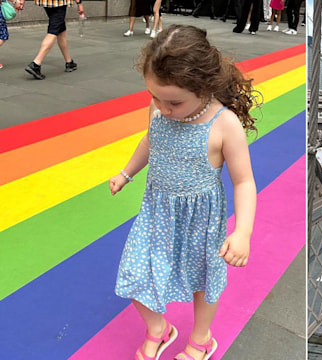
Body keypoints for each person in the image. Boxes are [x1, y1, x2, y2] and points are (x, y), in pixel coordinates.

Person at [109, 25, 258, 360]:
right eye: (154, 97)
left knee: (203, 281)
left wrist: (243, 232)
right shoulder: (160, 109)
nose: (162, 108)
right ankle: (159, 328)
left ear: (205, 88)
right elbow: (151, 140)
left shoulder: (223, 124)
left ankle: (201, 338)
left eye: (173, 101)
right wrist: (126, 173)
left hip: (201, 220)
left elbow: (245, 181)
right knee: (134, 273)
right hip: (156, 211)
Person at [23, 0, 84, 79]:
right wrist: (79, 3)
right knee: (54, 30)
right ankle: (36, 64)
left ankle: (69, 61)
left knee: (60, 28)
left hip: (46, 1)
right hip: (59, 2)